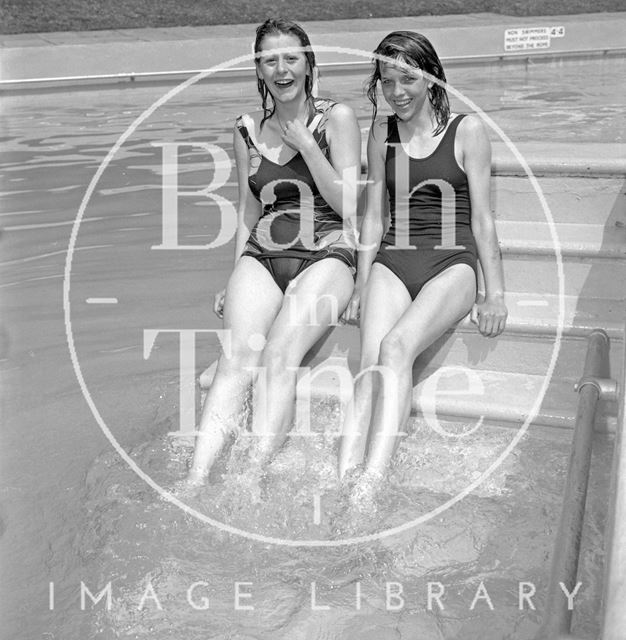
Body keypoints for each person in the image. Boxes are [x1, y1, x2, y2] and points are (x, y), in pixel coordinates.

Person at [186, 18, 361, 485]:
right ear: (258, 69)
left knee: (280, 355)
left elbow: (349, 204)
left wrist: (306, 143)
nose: (281, 69)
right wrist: (233, 275)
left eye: (290, 58)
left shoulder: (336, 118)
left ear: (308, 62)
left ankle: (250, 476)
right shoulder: (246, 130)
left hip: (328, 250)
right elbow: (247, 209)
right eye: (269, 60)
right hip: (263, 251)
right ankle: (195, 480)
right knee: (235, 361)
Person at [338, 31, 508, 483]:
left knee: (396, 347)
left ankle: (369, 488)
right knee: (370, 361)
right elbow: (373, 218)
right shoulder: (381, 132)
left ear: (431, 77)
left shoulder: (466, 130)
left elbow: (483, 221)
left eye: (407, 80)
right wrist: (360, 284)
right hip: (394, 261)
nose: (396, 93)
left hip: (451, 264)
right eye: (387, 82)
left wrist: (495, 294)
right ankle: (342, 477)